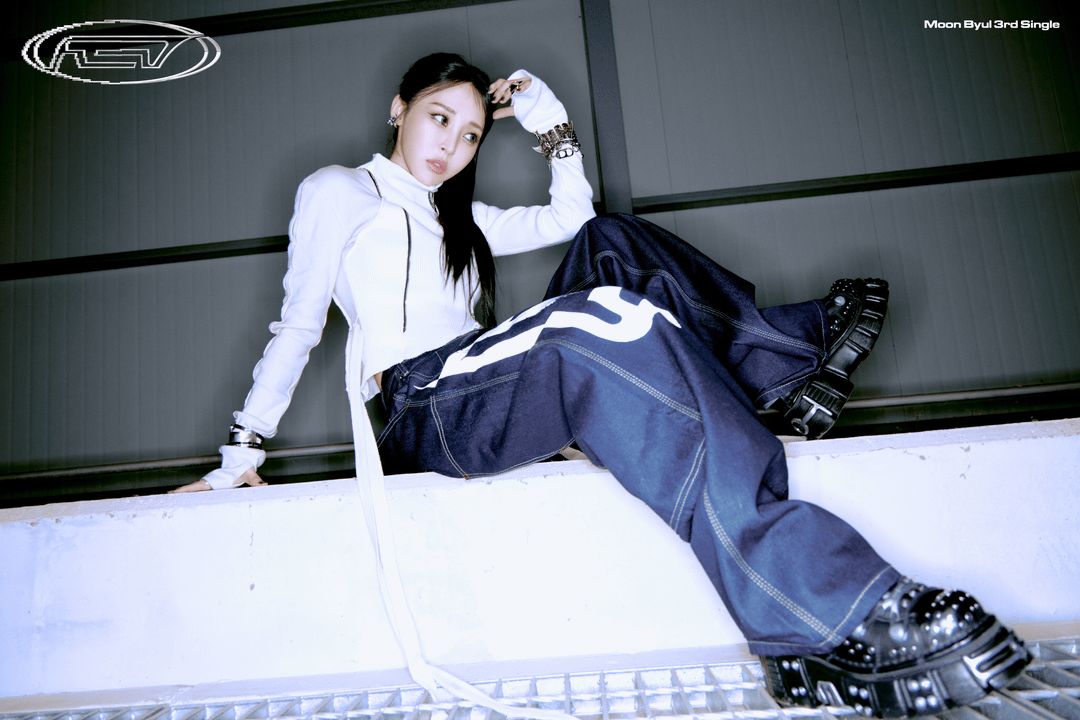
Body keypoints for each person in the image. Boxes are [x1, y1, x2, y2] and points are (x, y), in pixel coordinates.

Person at [173, 53, 1030, 718]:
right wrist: (239, 454)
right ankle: (818, 615)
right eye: (438, 119)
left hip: (483, 379)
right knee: (586, 323)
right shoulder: (340, 192)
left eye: (469, 135)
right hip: (420, 406)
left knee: (611, 244)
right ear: (399, 109)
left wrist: (546, 120)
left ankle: (785, 364)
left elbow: (574, 218)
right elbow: (297, 326)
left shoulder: (460, 222)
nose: (451, 146)